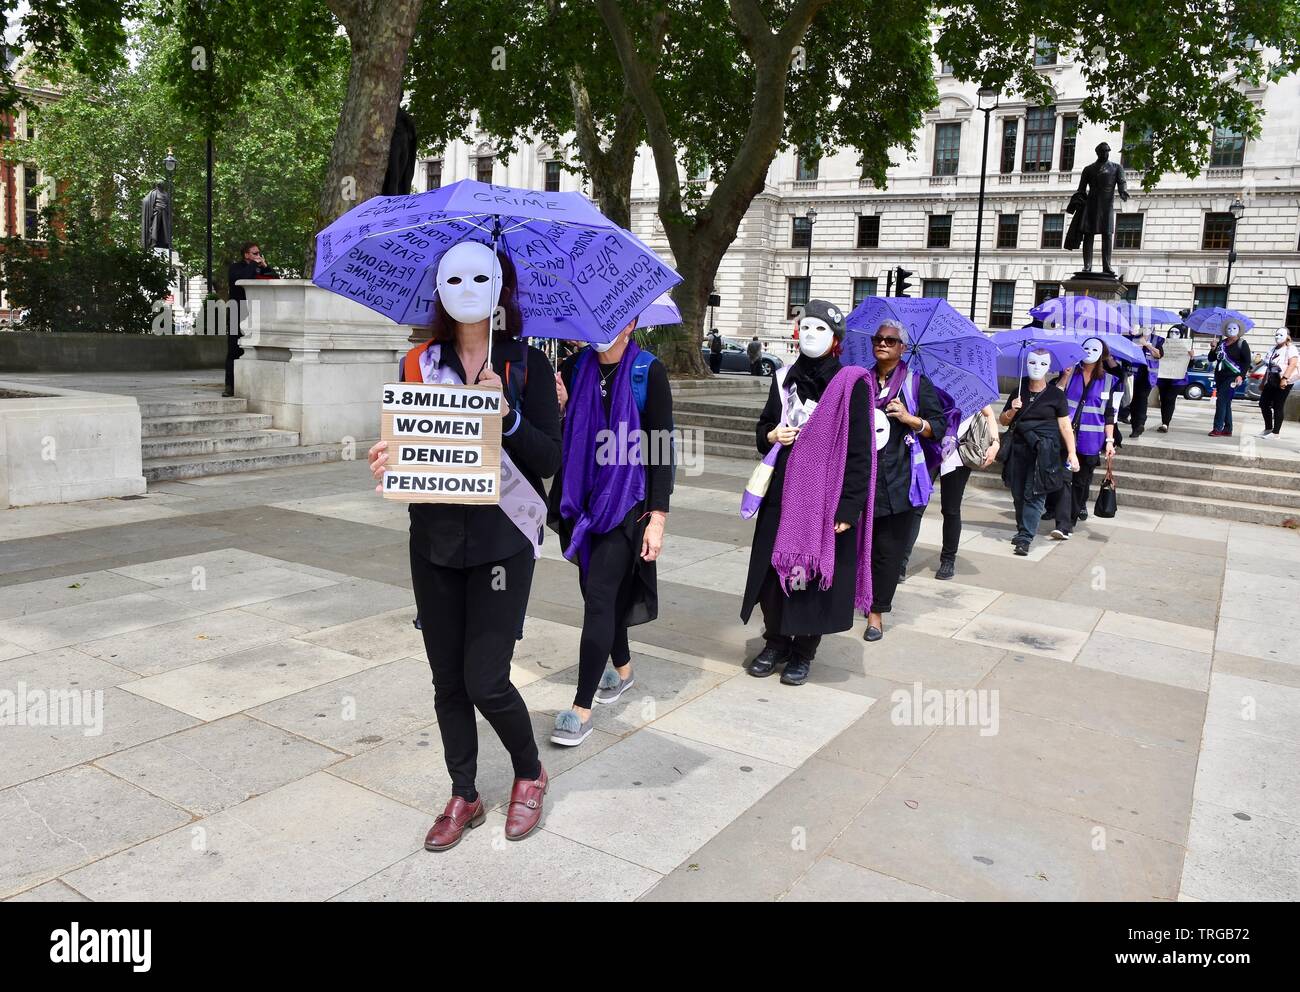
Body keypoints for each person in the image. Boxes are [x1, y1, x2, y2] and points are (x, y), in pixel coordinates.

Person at [366, 242, 561, 852]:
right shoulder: (417, 364)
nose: (470, 286)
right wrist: (387, 457)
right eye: (457, 277)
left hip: (503, 542)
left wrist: (510, 415)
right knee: (447, 680)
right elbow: (403, 444)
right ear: (441, 289)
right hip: (434, 540)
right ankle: (464, 792)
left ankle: (529, 771)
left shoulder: (527, 364)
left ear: (501, 287)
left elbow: (549, 460)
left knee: (486, 679)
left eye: (484, 275)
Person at [546, 318, 672, 745]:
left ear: (632, 322)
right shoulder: (577, 365)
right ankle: (624, 670)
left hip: (626, 503)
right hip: (579, 499)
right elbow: (564, 434)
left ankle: (581, 710)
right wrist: (560, 406)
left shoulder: (646, 371)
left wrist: (658, 517)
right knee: (598, 594)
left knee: (599, 597)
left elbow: (660, 447)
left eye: (616, 315)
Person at [740, 300, 872, 684]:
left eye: (821, 329)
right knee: (773, 570)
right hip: (783, 490)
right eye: (807, 327)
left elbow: (860, 452)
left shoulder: (850, 383)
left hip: (825, 496)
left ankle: (804, 649)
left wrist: (849, 508)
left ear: (836, 340)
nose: (811, 335)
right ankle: (776, 640)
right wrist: (771, 435)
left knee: (812, 574)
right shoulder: (783, 378)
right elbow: (764, 428)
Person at [863, 320, 947, 642]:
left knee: (887, 550)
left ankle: (876, 613)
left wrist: (911, 418)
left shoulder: (915, 384)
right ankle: (855, 595)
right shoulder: (861, 381)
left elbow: (937, 427)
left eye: (890, 340)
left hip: (897, 479)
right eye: (879, 338)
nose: (883, 343)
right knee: (858, 546)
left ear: (902, 348)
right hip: (861, 477)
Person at [899, 404, 1000, 581]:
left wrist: (995, 443)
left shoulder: (970, 386)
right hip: (930, 448)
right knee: (917, 506)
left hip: (958, 453)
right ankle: (900, 563)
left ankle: (948, 560)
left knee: (951, 509)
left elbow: (989, 413)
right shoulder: (933, 383)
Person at [997, 350, 1079, 556]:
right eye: (1032, 362)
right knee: (1017, 494)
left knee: (1034, 494)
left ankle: (1025, 537)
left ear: (1049, 366)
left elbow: (1065, 426)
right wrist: (1012, 410)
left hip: (1043, 452)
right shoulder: (1019, 391)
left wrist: (1072, 452)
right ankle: (1022, 529)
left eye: (1041, 363)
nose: (1036, 367)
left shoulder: (1056, 395)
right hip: (1018, 450)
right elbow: (1003, 421)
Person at [1050, 337, 1119, 540]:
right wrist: (1064, 377)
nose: (1089, 352)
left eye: (1094, 349)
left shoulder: (1110, 380)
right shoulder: (1070, 373)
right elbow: (1055, 396)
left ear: (1102, 354)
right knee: (1064, 480)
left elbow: (1110, 414)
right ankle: (1063, 525)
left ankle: (1071, 517)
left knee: (1081, 484)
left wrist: (1109, 441)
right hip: (1066, 437)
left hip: (1091, 441)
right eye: (1086, 348)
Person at [224, 242, 278, 397]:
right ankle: (230, 385)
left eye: (259, 253)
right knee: (234, 348)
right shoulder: (236, 267)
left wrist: (266, 266)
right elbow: (243, 278)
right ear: (246, 254)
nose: (258, 256)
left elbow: (274, 278)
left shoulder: (259, 266)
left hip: (256, 311)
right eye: (254, 253)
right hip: (238, 310)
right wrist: (254, 264)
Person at [1209, 321, 1251, 437]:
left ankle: (1217, 428)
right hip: (1220, 376)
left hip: (1232, 377)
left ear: (1238, 330)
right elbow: (1211, 358)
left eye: (1234, 328)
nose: (1231, 330)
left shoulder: (1242, 343)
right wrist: (1213, 348)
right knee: (1226, 402)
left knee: (1221, 400)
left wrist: (1241, 375)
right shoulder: (1221, 343)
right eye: (1229, 328)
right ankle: (1228, 429)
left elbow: (1247, 362)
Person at [1122, 326, 1163, 439]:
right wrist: (1136, 347)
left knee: (1141, 400)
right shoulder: (1131, 338)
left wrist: (1147, 345)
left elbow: (1159, 355)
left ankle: (1139, 425)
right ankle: (1135, 424)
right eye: (1144, 327)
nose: (1146, 329)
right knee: (1132, 401)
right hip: (1132, 376)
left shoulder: (1156, 340)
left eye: (1149, 327)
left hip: (1147, 377)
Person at [1258, 328, 1299, 438]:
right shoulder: (1273, 349)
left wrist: (1285, 378)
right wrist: (1263, 382)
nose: (1277, 337)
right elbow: (1269, 367)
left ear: (1287, 336)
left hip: (1284, 380)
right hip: (1272, 379)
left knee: (1278, 405)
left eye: (1281, 335)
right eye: (1276, 334)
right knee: (1263, 403)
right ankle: (1268, 428)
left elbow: (1293, 364)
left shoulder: (1291, 348)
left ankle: (1276, 433)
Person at [1155, 315, 1194, 433]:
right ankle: (1164, 421)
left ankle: (1166, 423)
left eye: (1176, 332)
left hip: (1177, 379)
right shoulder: (1162, 343)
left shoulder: (1186, 346)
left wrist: (1191, 357)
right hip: (1163, 377)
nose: (1173, 334)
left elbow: (1189, 365)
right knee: (1164, 400)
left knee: (1170, 398)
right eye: (1171, 332)